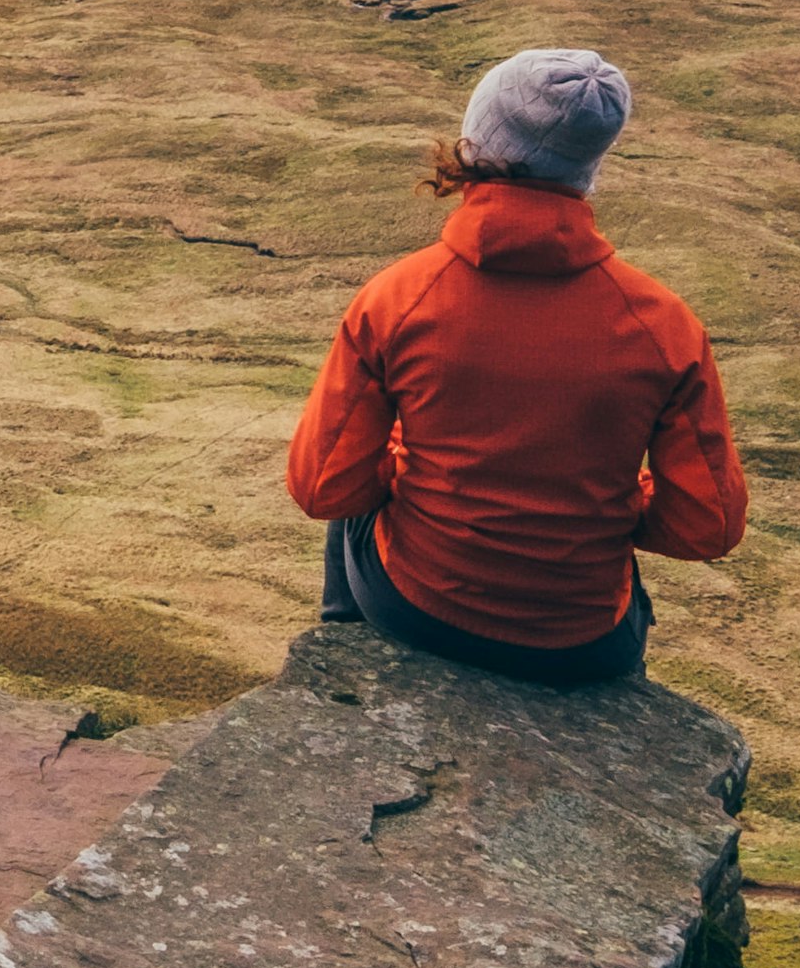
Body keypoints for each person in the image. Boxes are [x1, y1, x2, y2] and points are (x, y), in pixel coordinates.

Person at [285, 47, 747, 685]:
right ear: (589, 165)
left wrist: (411, 470)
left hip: (412, 608)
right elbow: (709, 525)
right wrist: (604, 511)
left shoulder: (399, 297)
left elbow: (323, 487)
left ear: (476, 141)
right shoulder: (663, 325)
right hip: (582, 644)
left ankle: (346, 663)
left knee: (352, 464)